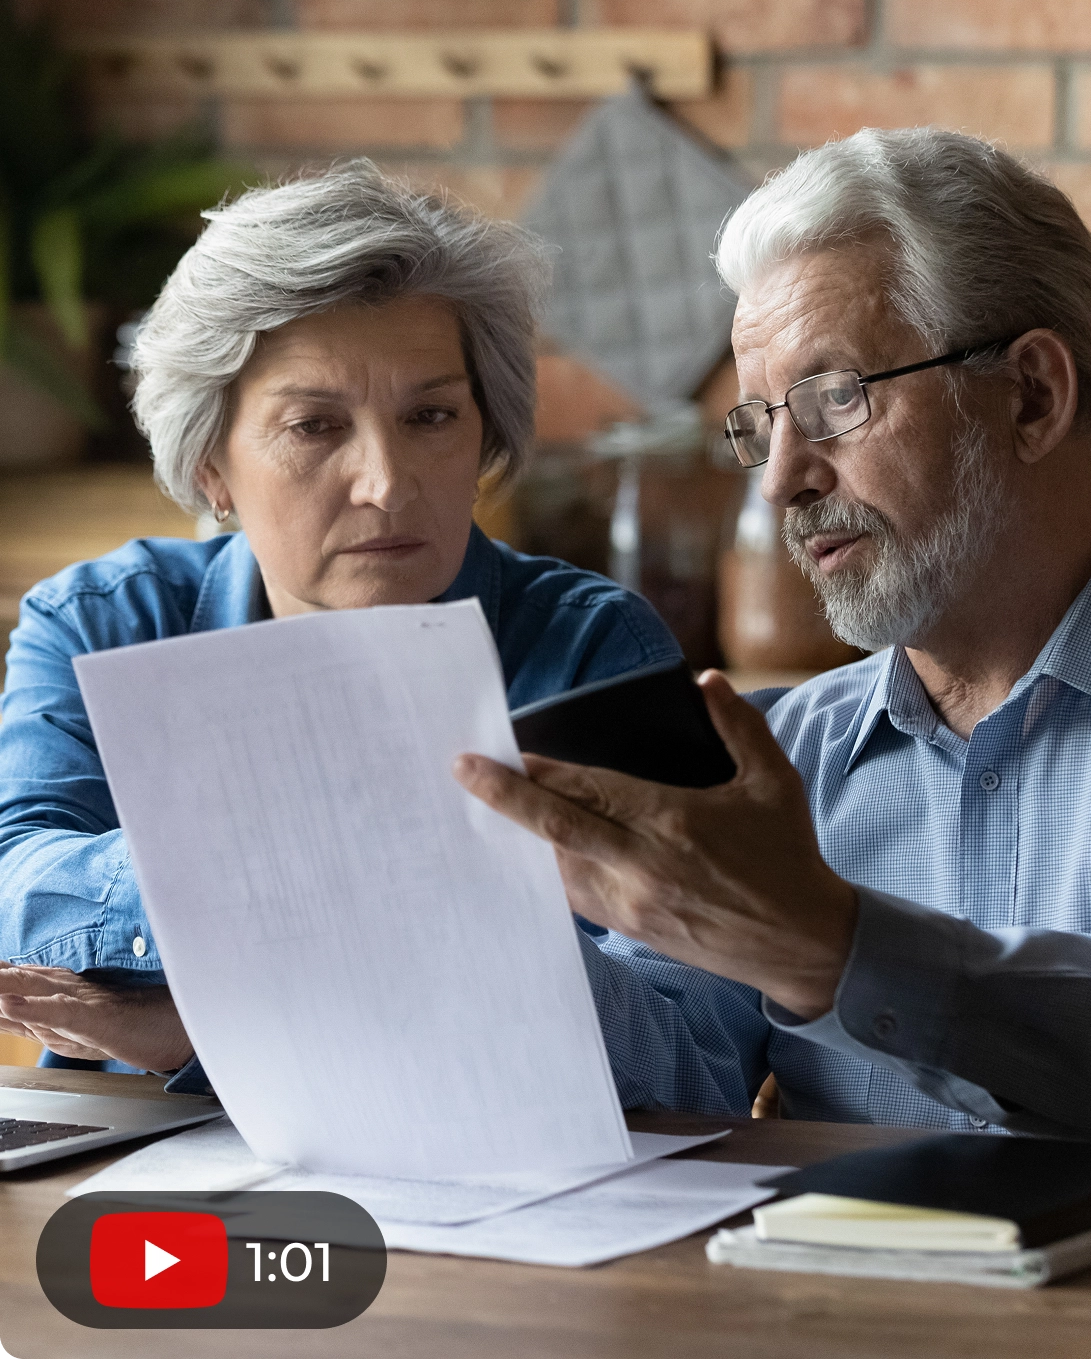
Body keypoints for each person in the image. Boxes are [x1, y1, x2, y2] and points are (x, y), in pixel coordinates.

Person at [459, 127, 1091, 1158]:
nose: (780, 477)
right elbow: (680, 1067)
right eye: (758, 424)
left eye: (834, 399)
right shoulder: (784, 753)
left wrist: (830, 947)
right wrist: (484, 932)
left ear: (1032, 395)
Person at [0, 161, 679, 1089]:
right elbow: (18, 889)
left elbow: (685, 1049)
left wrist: (213, 1017)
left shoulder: (594, 650)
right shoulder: (103, 622)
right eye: (315, 426)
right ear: (211, 468)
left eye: (431, 415)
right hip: (136, 1163)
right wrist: (300, 868)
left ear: (483, 433)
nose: (388, 483)